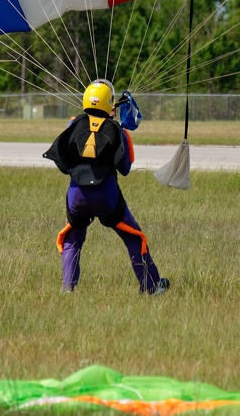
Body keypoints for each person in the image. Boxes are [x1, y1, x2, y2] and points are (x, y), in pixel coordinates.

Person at [44, 79, 168, 295]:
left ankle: (67, 290)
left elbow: (64, 160)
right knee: (134, 238)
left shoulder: (73, 124)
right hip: (106, 196)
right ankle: (151, 287)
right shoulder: (116, 129)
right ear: (108, 103)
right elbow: (125, 168)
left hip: (77, 196)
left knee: (73, 240)